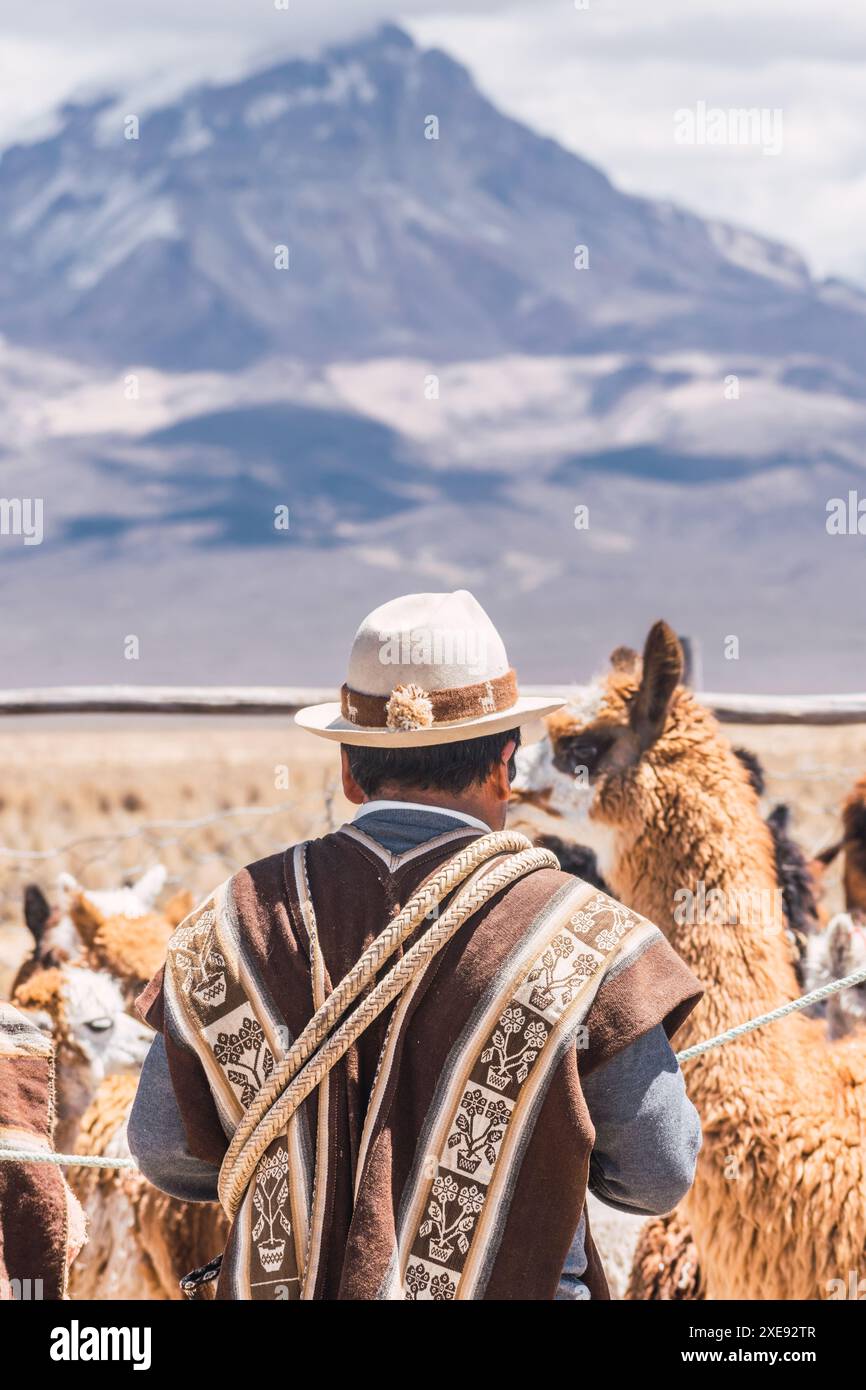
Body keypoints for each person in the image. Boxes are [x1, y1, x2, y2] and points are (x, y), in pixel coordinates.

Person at [130, 589, 702, 1300]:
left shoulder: (232, 924)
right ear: (505, 766)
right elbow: (658, 1172)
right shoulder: (587, 941)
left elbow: (165, 1150)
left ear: (348, 770)